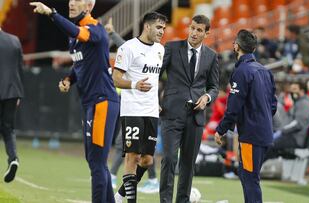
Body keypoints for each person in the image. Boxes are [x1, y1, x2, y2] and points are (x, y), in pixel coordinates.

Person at [30, 1, 119, 202]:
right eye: (70, 1)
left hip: (102, 101)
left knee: (97, 163)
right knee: (94, 161)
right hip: (90, 104)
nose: (71, 4)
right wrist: (69, 79)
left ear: (88, 5)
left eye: (76, 1)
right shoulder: (75, 35)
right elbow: (80, 65)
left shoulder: (94, 28)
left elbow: (80, 33)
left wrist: (51, 13)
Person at [160, 15, 219, 203]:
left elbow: (214, 87)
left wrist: (207, 98)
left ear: (206, 33)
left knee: (188, 164)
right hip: (171, 112)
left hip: (195, 116)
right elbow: (156, 75)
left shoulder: (211, 56)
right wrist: (155, 100)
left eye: (199, 30)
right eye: (192, 28)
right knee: (169, 159)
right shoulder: (171, 47)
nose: (194, 33)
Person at [215, 29, 277, 203]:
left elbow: (233, 107)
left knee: (249, 178)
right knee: (248, 175)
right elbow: (273, 105)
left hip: (251, 135)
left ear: (236, 46)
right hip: (265, 132)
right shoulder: (265, 71)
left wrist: (221, 129)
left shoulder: (241, 71)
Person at [111, 12, 167, 203]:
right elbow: (116, 78)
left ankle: (119, 196)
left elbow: (157, 80)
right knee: (132, 158)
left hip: (151, 111)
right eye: (159, 27)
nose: (162, 31)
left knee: (148, 160)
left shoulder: (160, 50)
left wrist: (158, 102)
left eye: (164, 28)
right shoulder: (128, 48)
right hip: (132, 109)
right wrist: (135, 85)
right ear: (147, 26)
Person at [0, 27, 24, 183]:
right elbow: (20, 69)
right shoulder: (15, 40)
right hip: (12, 91)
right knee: (8, 129)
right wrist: (19, 94)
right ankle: (13, 158)